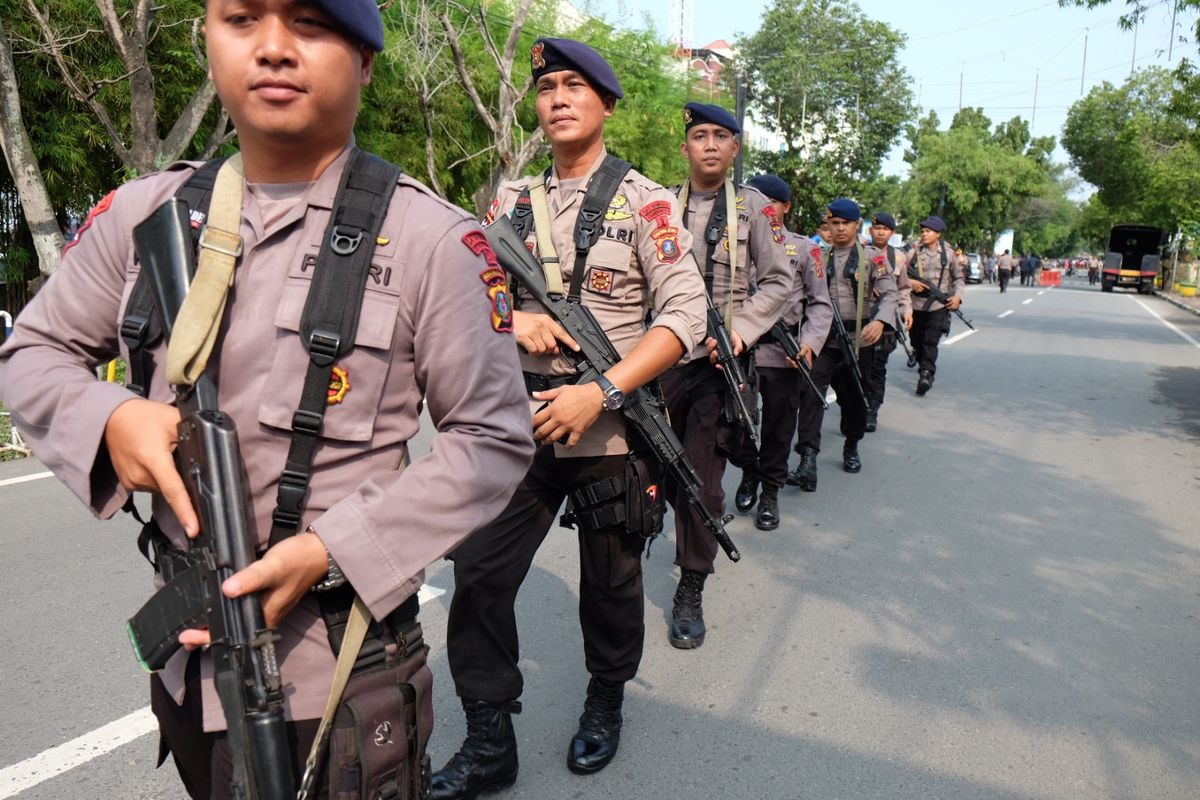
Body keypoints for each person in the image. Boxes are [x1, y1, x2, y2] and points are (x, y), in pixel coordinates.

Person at [0, 2, 536, 798]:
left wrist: (334, 549)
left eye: (311, 24)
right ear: (208, 39)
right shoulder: (140, 216)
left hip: (337, 674)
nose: (275, 49)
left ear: (365, 61)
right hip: (187, 658)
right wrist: (108, 417)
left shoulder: (434, 242)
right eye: (243, 17)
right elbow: (33, 353)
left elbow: (492, 438)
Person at [431, 39, 708, 796]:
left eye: (574, 87)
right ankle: (490, 738)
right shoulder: (509, 202)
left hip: (608, 426)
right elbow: (467, 289)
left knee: (611, 581)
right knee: (479, 572)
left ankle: (605, 697)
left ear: (606, 105)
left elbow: (687, 315)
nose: (558, 98)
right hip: (518, 419)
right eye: (547, 86)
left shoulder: (646, 202)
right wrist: (510, 322)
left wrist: (604, 390)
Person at [661, 102, 790, 649]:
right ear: (686, 146)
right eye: (699, 135)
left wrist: (742, 332)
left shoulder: (757, 209)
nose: (710, 144)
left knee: (700, 482)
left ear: (736, 149)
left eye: (721, 136)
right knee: (658, 474)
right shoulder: (658, 206)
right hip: (663, 358)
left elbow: (779, 282)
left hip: (721, 364)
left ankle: (691, 585)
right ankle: (694, 528)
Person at [729, 174, 832, 531]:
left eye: (769, 201)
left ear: (786, 207)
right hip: (739, 351)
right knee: (735, 424)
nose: (761, 208)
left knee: (778, 427)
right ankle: (749, 471)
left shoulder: (807, 249)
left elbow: (821, 304)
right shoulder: (733, 238)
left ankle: (770, 490)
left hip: (783, 356)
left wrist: (810, 344)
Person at [787, 199, 897, 490]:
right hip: (822, 341)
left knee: (855, 401)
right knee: (810, 397)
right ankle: (807, 459)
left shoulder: (873, 258)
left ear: (856, 225)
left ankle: (852, 443)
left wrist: (880, 322)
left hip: (858, 342)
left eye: (844, 223)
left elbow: (889, 294)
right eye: (833, 223)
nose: (838, 229)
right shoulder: (817, 256)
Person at [862, 212, 912, 432]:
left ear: (892, 233)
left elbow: (903, 289)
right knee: (859, 366)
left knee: (877, 368)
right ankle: (858, 405)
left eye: (885, 229)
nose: (880, 232)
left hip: (886, 321)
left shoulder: (898, 258)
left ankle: (872, 410)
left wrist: (907, 310)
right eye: (876, 227)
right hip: (860, 318)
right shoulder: (860, 253)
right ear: (870, 230)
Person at [907, 215, 965, 396]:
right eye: (922, 231)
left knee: (931, 340)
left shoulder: (949, 255)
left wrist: (957, 298)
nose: (924, 234)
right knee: (916, 339)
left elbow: (959, 279)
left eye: (928, 231)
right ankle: (917, 352)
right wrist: (910, 283)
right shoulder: (912, 254)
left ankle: (926, 374)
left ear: (937, 234)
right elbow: (899, 276)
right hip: (916, 304)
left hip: (938, 305)